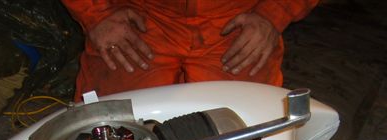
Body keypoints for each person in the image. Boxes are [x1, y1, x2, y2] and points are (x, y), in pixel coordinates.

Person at [62, 1, 319, 99]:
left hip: (237, 25)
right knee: (106, 134)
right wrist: (95, 14)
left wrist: (273, 14)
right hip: (137, 21)